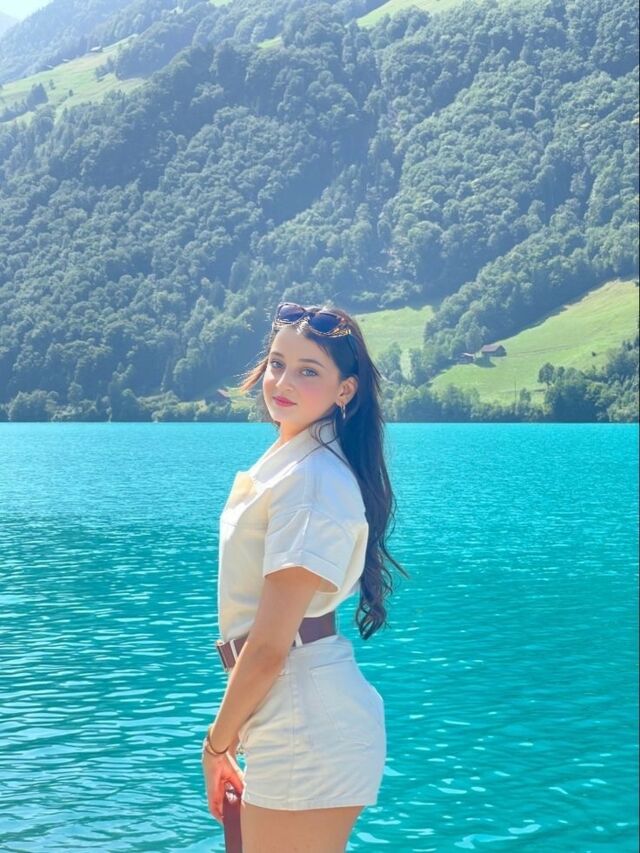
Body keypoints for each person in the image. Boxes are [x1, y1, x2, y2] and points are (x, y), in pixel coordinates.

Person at [202, 302, 407, 852]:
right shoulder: (295, 462)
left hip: (304, 719)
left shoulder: (311, 480)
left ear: (346, 389)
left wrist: (216, 745)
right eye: (277, 363)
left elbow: (269, 647)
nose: (283, 381)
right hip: (293, 710)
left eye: (308, 370)